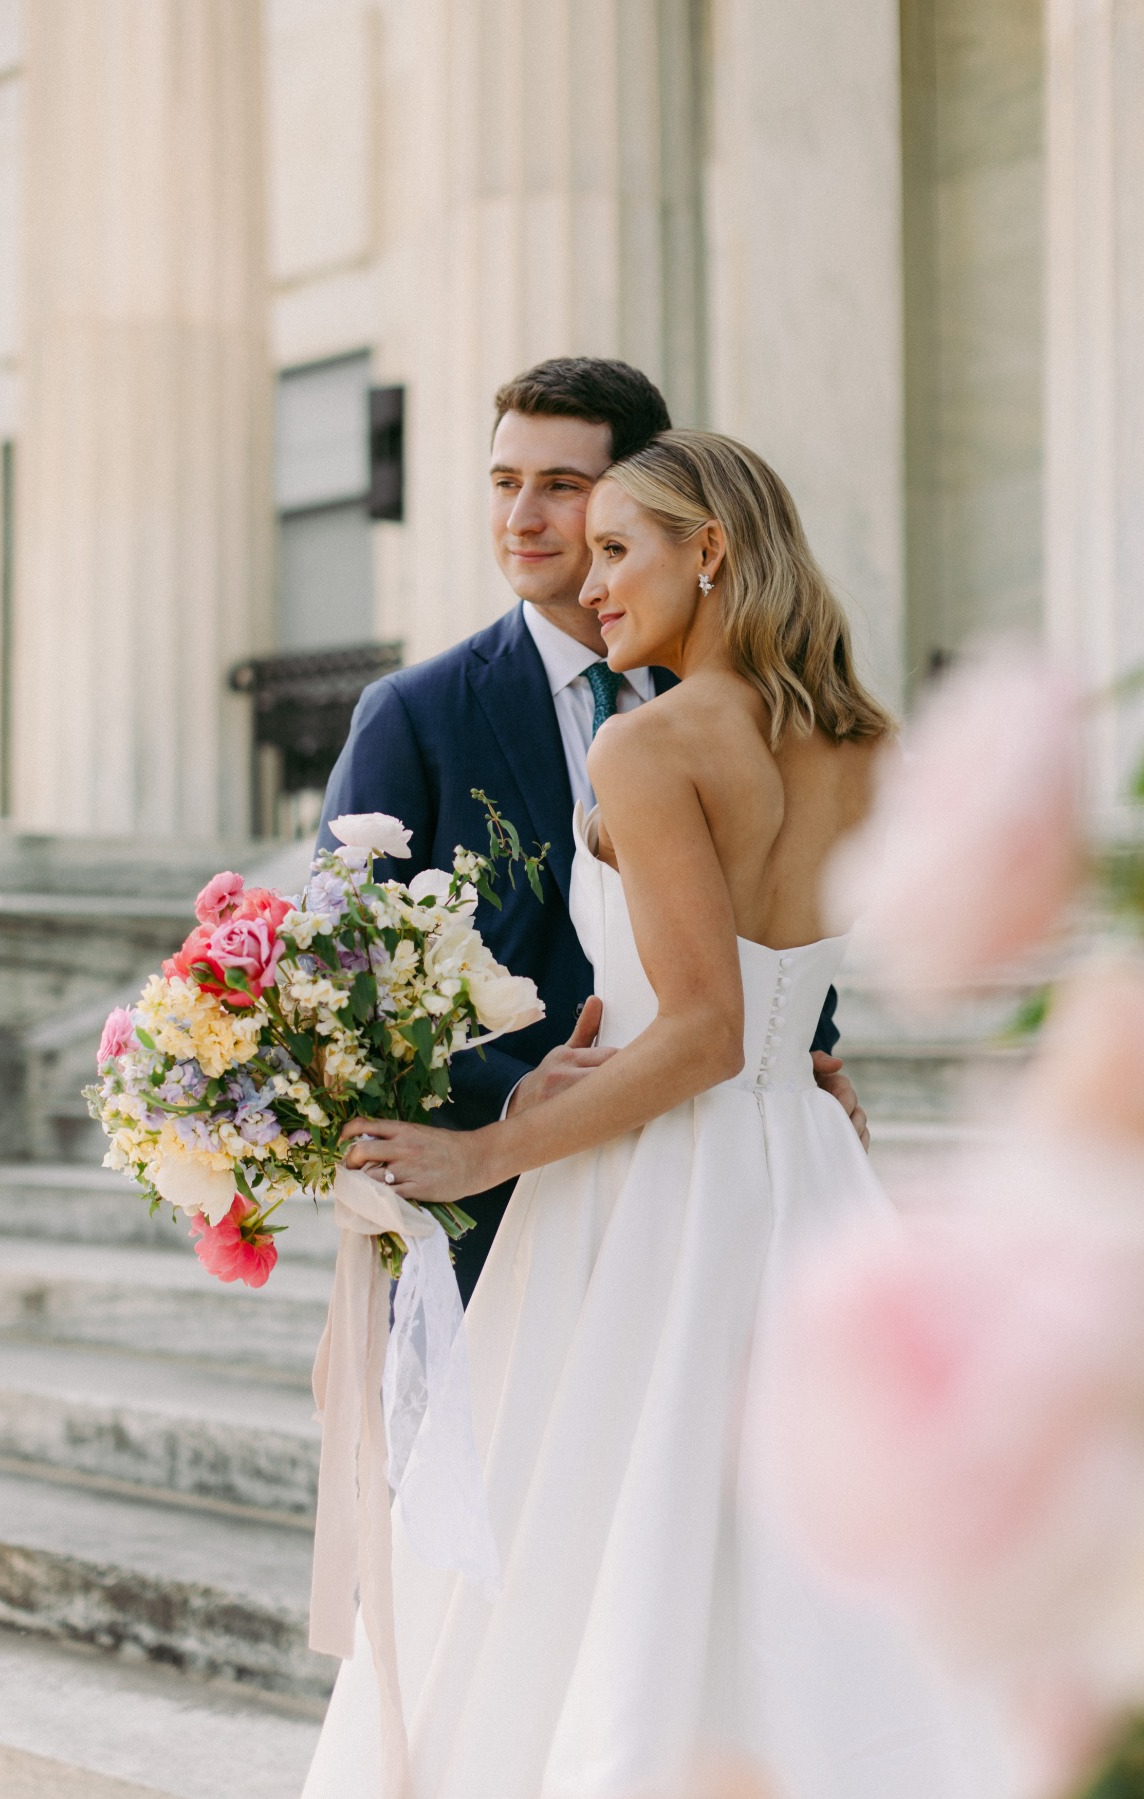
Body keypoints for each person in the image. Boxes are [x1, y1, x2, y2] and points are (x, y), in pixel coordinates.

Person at [301, 433, 995, 1798]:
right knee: (796, 1547)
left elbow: (698, 1031)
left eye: (621, 548)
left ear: (712, 550)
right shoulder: (871, 737)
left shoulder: (651, 741)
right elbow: (774, 1001)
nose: (593, 579)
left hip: (659, 1185)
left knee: (616, 1523)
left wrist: (481, 1148)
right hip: (807, 1161)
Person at [315, 358, 864, 1302]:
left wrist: (805, 1059)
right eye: (503, 482)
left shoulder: (748, 711)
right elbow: (340, 985)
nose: (520, 518)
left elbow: (770, 943)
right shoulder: (415, 715)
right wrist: (513, 1098)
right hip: (500, 1216)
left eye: (561, 488)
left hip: (722, 1195)